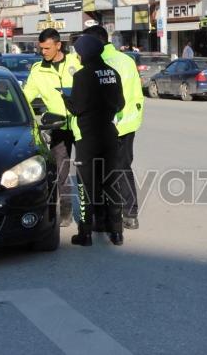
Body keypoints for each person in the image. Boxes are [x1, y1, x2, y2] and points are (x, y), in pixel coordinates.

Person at [62, 35, 125, 246]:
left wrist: (66, 99)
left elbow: (77, 108)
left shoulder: (82, 76)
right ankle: (117, 232)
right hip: (109, 134)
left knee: (86, 186)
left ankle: (85, 233)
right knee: (111, 183)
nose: (77, 56)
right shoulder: (113, 73)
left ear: (86, 53)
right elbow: (121, 103)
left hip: (88, 138)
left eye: (78, 52)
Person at [83, 25, 145, 230]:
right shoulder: (126, 60)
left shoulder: (94, 63)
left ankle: (103, 217)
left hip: (104, 125)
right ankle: (130, 214)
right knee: (122, 168)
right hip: (127, 123)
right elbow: (135, 93)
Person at [23, 29, 82, 227]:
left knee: (87, 170)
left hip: (81, 125)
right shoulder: (38, 70)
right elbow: (26, 97)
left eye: (47, 48)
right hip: (57, 127)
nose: (43, 52)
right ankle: (65, 212)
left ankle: (93, 213)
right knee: (61, 173)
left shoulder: (76, 62)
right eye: (41, 48)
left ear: (58, 45)